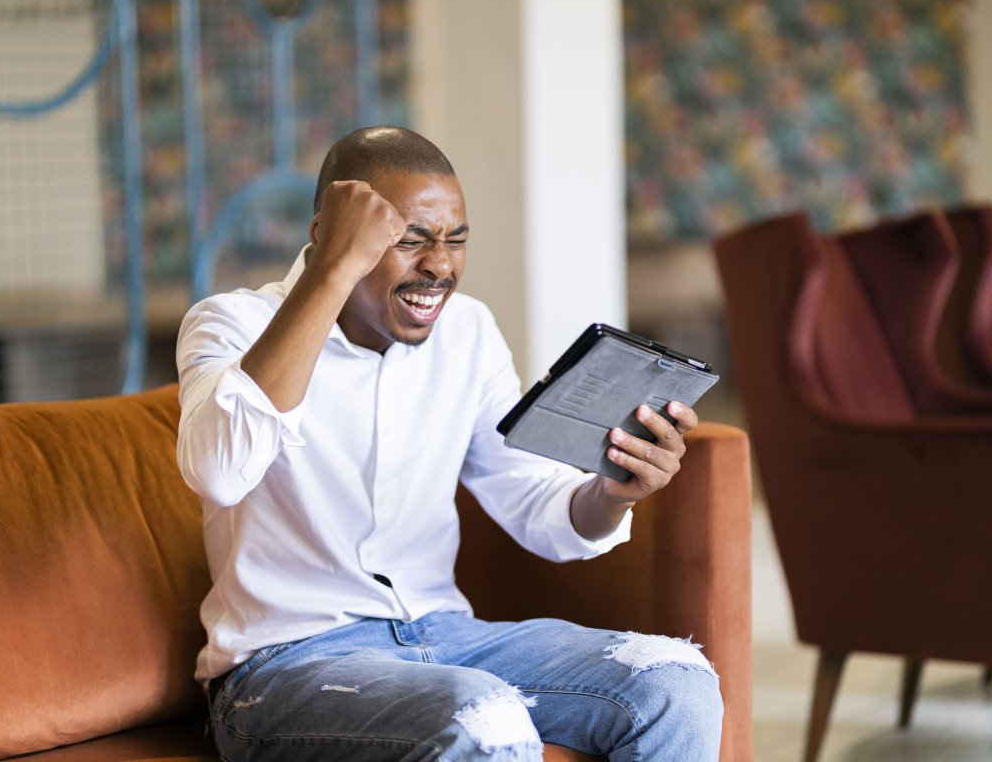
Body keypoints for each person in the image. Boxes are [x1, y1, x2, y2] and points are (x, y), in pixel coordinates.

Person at [175, 126, 723, 761]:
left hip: (446, 637)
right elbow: (219, 471)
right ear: (328, 235)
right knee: (482, 719)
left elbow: (530, 496)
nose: (440, 265)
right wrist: (330, 274)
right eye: (409, 239)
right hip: (286, 663)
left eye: (455, 239)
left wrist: (611, 492)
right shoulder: (231, 324)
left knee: (673, 680)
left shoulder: (470, 332)